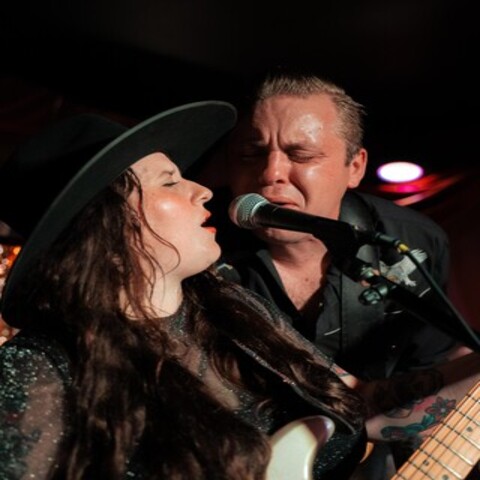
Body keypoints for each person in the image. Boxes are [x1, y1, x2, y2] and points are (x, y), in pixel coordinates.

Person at [0, 101, 370, 480]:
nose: (203, 191)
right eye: (169, 181)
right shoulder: (42, 366)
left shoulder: (234, 309)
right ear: (103, 226)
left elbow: (360, 401)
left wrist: (433, 385)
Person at [198, 69, 480, 477]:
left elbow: (425, 366)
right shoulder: (199, 255)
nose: (270, 173)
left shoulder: (408, 240)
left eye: (301, 155)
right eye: (250, 154)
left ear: (355, 166)